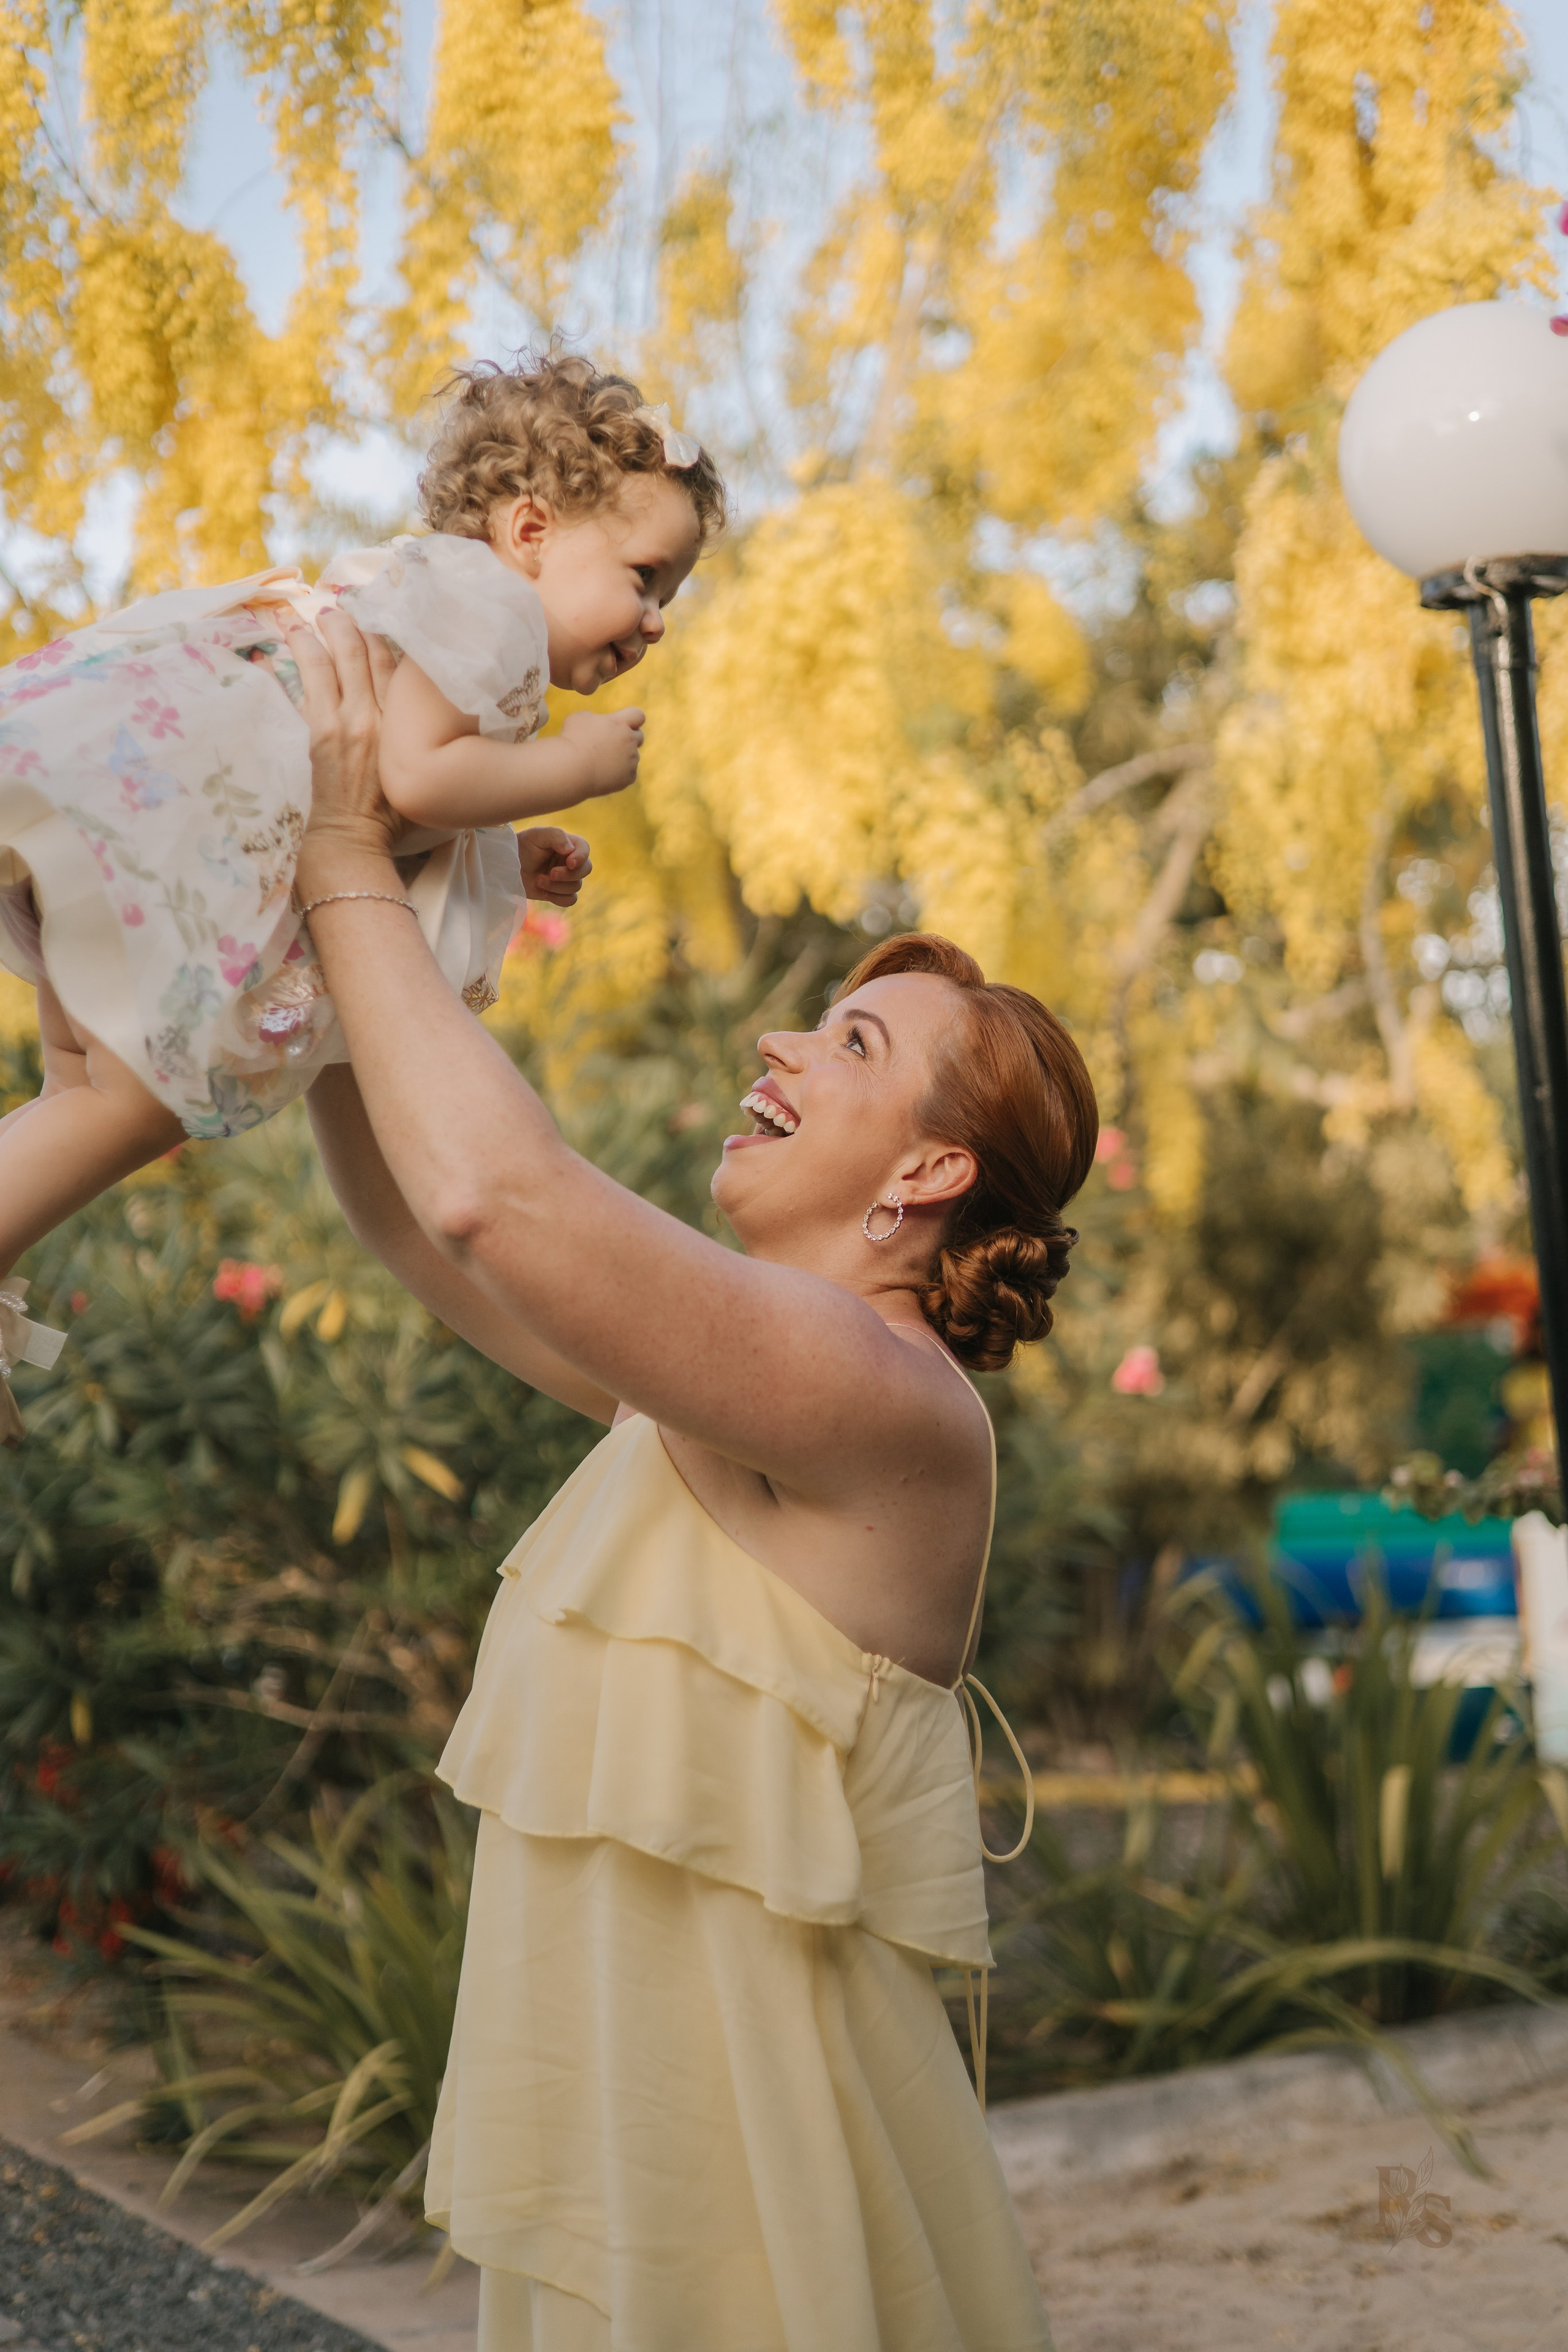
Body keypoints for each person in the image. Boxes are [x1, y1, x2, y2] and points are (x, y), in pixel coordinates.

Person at [292, 608, 1096, 2351]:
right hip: (637, 2166)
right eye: (812, 1025)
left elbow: (497, 1199)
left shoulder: (874, 1392)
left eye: (853, 1049)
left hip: (758, 2206)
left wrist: (349, 856)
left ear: (931, 1172)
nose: (781, 1054)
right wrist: (387, 915)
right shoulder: (718, 1405)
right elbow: (418, 1227)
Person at [0, 354, 725, 1436]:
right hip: (188, 837)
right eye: (644, 576)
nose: (657, 620)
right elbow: (418, 778)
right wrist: (574, 764)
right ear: (531, 532)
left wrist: (507, 855)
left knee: (78, 1094)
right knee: (123, 1104)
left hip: (140, 834)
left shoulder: (436, 600)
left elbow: (404, 804)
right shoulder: (495, 617)